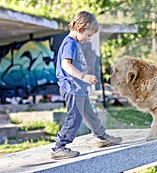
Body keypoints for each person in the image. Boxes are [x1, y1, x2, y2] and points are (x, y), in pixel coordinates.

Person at [51, 11, 122, 160]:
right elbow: (65, 64)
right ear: (80, 29)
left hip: (79, 88)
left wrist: (84, 70)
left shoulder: (75, 43)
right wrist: (83, 76)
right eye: (88, 36)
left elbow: (74, 64)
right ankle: (59, 147)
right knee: (75, 118)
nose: (88, 39)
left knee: (90, 114)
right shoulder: (70, 43)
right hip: (72, 88)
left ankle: (102, 137)